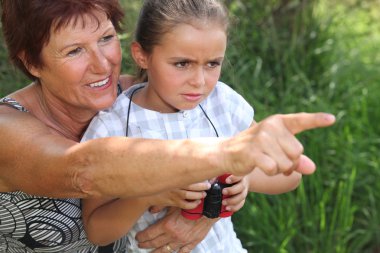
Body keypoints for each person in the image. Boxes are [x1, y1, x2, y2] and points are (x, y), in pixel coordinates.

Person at [0, 0, 336, 252]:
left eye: (105, 38)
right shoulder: (8, 126)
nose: (102, 65)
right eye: (74, 51)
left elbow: (251, 173)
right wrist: (225, 157)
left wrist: (211, 206)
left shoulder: (162, 92)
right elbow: (81, 169)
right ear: (33, 62)